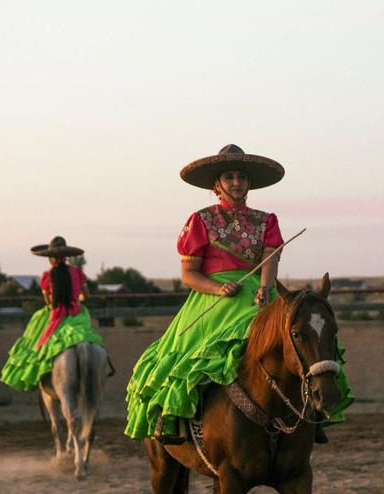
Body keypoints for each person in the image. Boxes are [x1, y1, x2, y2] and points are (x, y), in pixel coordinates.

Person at [124, 144, 352, 442]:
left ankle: (313, 413)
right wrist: (217, 286)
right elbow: (188, 274)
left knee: (299, 342)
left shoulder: (266, 220)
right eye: (229, 176)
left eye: (241, 177)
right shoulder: (200, 220)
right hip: (214, 297)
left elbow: (270, 261)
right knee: (188, 355)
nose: (236, 182)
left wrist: (265, 287)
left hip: (258, 293)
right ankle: (176, 422)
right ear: (216, 184)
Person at [0, 237, 104, 392]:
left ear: (51, 259)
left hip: (56, 314)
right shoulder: (77, 272)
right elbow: (85, 296)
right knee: (88, 334)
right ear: (66, 257)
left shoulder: (47, 276)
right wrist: (77, 299)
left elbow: (48, 301)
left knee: (34, 340)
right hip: (77, 312)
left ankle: (38, 369)